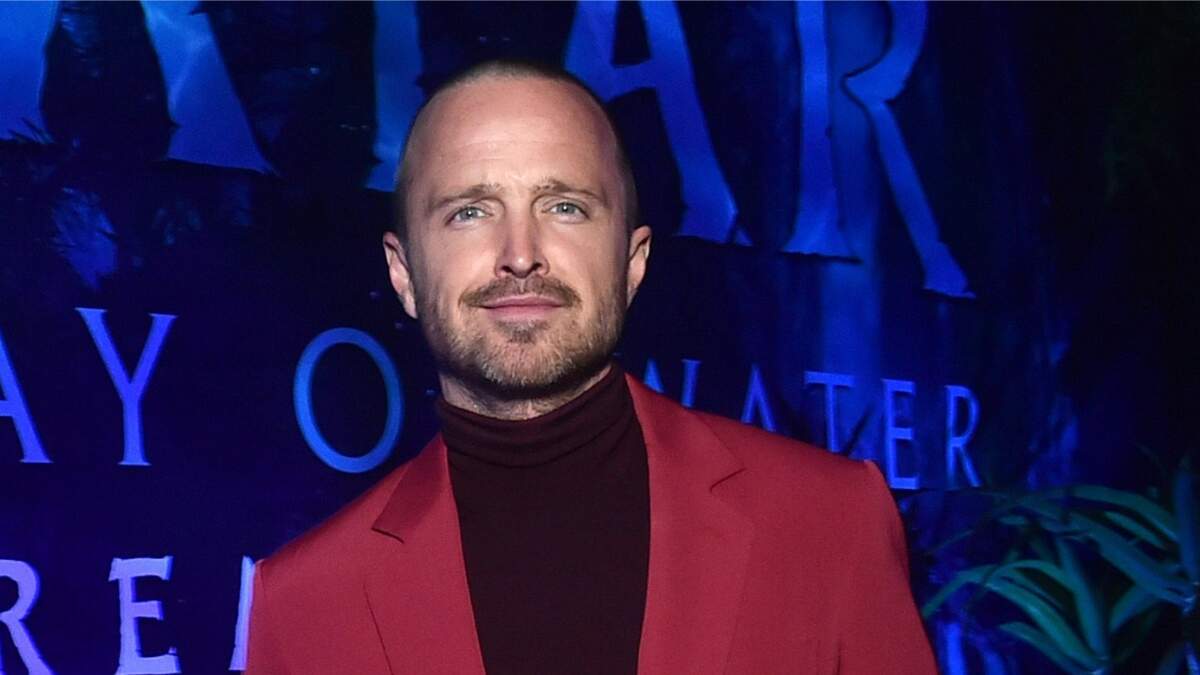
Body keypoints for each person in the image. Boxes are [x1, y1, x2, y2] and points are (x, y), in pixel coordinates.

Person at [245, 59, 937, 675]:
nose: (521, 253)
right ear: (404, 274)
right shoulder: (305, 602)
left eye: (565, 207)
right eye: (470, 211)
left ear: (632, 263)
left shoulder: (830, 524)